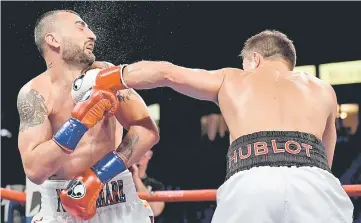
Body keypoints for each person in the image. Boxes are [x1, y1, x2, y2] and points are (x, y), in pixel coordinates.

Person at [85, 30, 354, 222]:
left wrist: (103, 78)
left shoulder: (233, 79)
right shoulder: (323, 90)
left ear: (255, 59)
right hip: (315, 185)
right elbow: (324, 162)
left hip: (252, 184)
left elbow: (166, 72)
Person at [17, 10, 159, 223]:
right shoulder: (34, 94)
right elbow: (35, 170)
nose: (92, 35)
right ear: (53, 40)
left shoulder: (107, 76)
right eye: (80, 26)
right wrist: (78, 124)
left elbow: (147, 130)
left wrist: (98, 175)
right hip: (60, 208)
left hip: (117, 199)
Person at [129, 150, 166, 217]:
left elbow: (155, 211)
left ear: (149, 155)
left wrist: (136, 179)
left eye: (142, 154)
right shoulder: (121, 182)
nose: (138, 157)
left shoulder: (156, 185)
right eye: (137, 154)